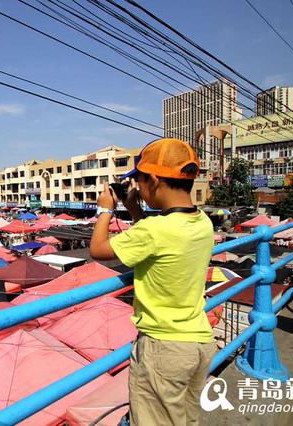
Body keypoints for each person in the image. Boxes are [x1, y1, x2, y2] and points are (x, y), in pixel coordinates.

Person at [89, 138, 216, 426]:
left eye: (141, 181)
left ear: (155, 179)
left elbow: (98, 250)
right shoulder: (203, 222)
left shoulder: (154, 230)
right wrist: (135, 211)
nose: (139, 188)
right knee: (184, 419)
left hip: (164, 349)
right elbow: (158, 236)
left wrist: (106, 209)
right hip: (197, 341)